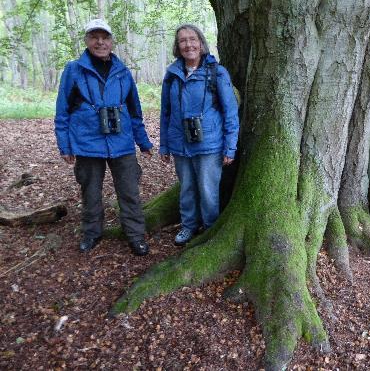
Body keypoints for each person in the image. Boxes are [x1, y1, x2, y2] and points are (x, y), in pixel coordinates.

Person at [54, 18, 153, 256]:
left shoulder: (123, 72)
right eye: (94, 37)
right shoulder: (73, 70)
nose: (100, 42)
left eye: (105, 37)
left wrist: (143, 141)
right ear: (87, 40)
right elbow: (62, 110)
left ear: (112, 40)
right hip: (87, 143)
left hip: (122, 143)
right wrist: (64, 145)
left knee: (129, 191)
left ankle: (135, 235)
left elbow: (134, 110)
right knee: (90, 192)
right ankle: (91, 233)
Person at [159, 24, 239, 245]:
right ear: (178, 46)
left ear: (201, 43)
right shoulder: (172, 74)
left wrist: (230, 147)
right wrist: (164, 145)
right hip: (180, 144)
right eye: (183, 41)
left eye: (192, 39)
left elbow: (230, 112)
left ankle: (209, 228)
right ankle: (188, 226)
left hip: (210, 144)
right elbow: (166, 112)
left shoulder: (217, 72)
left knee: (207, 190)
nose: (188, 45)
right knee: (186, 189)